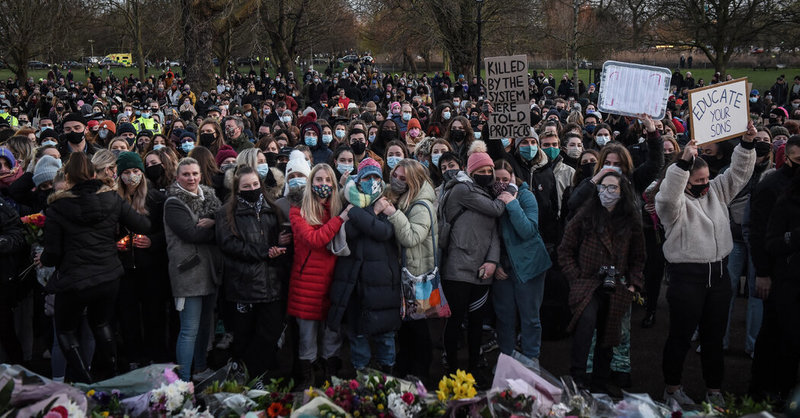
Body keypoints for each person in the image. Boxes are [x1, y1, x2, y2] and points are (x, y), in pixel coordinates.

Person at [656, 123, 756, 407]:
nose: (705, 184)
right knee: (680, 336)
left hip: (719, 276)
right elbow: (669, 194)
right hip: (687, 279)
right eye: (697, 180)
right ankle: (672, 390)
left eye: (707, 178)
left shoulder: (716, 192)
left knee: (714, 338)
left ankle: (714, 390)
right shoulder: (672, 206)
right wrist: (682, 163)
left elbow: (738, 174)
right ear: (684, 181)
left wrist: (747, 144)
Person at [41, 152, 151, 382]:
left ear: (67, 179)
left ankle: (85, 379)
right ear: (93, 174)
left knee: (65, 331)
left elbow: (53, 254)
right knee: (101, 324)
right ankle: (111, 374)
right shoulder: (111, 198)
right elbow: (142, 224)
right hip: (108, 276)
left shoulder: (58, 207)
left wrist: (45, 259)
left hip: (74, 280)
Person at [558, 170, 645, 393]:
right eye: (603, 187)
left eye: (612, 187)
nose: (607, 192)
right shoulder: (586, 215)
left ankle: (599, 383)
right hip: (587, 282)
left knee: (609, 333)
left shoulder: (631, 220)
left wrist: (633, 284)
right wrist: (575, 277)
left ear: (622, 191)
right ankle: (578, 378)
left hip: (616, 284)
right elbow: (565, 249)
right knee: (585, 325)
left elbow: (638, 256)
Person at [216, 166, 291, 378]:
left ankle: (252, 374)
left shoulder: (272, 209)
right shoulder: (227, 212)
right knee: (244, 336)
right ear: (237, 188)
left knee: (270, 333)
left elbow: (276, 241)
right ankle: (249, 378)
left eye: (255, 184)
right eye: (246, 186)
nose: (252, 189)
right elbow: (229, 244)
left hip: (272, 284)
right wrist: (264, 251)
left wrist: (280, 244)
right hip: (244, 285)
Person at [328, 158, 401, 373]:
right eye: (367, 177)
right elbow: (348, 232)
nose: (372, 181)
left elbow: (384, 232)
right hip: (355, 282)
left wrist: (362, 213)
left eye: (376, 177)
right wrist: (373, 213)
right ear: (359, 180)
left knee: (385, 337)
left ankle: (387, 378)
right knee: (358, 337)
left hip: (383, 282)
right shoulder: (347, 204)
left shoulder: (387, 202)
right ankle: (361, 380)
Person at [439, 142, 506, 376]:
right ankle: (452, 370)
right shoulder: (462, 190)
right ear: (470, 172)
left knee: (477, 322)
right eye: (481, 171)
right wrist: (509, 192)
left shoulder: (487, 192)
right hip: (458, 267)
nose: (486, 175)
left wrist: (492, 261)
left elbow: (494, 231)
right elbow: (497, 209)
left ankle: (474, 368)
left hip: (482, 270)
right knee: (455, 320)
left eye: (489, 171)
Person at [164, 157, 223, 382]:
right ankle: (184, 379)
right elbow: (192, 234)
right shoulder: (173, 203)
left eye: (195, 173)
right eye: (186, 174)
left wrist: (214, 223)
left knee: (205, 327)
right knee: (189, 329)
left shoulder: (209, 198)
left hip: (209, 271)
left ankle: (200, 368)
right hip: (188, 274)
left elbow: (218, 224)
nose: (191, 178)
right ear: (177, 177)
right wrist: (217, 229)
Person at [288, 163, 347, 388]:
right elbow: (315, 240)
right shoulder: (298, 211)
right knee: (307, 338)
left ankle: (330, 379)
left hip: (333, 281)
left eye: (328, 180)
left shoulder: (337, 207)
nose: (323, 184)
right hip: (307, 284)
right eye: (319, 180)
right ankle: (308, 381)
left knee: (332, 335)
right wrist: (340, 220)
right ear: (311, 182)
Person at [492, 159, 552, 365]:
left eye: (505, 179)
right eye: (496, 180)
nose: (501, 184)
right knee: (505, 317)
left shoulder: (526, 196)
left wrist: (512, 203)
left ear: (513, 179)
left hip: (529, 265)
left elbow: (528, 230)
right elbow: (487, 236)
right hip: (503, 268)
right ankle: (506, 361)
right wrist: (496, 263)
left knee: (530, 317)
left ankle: (531, 359)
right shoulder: (489, 199)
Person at [383, 159, 438, 383]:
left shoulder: (421, 205)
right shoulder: (404, 199)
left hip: (419, 275)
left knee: (418, 326)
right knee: (407, 326)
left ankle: (421, 371)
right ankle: (406, 366)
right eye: (395, 176)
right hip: (408, 273)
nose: (397, 181)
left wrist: (392, 213)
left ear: (414, 181)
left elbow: (412, 237)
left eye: (403, 178)